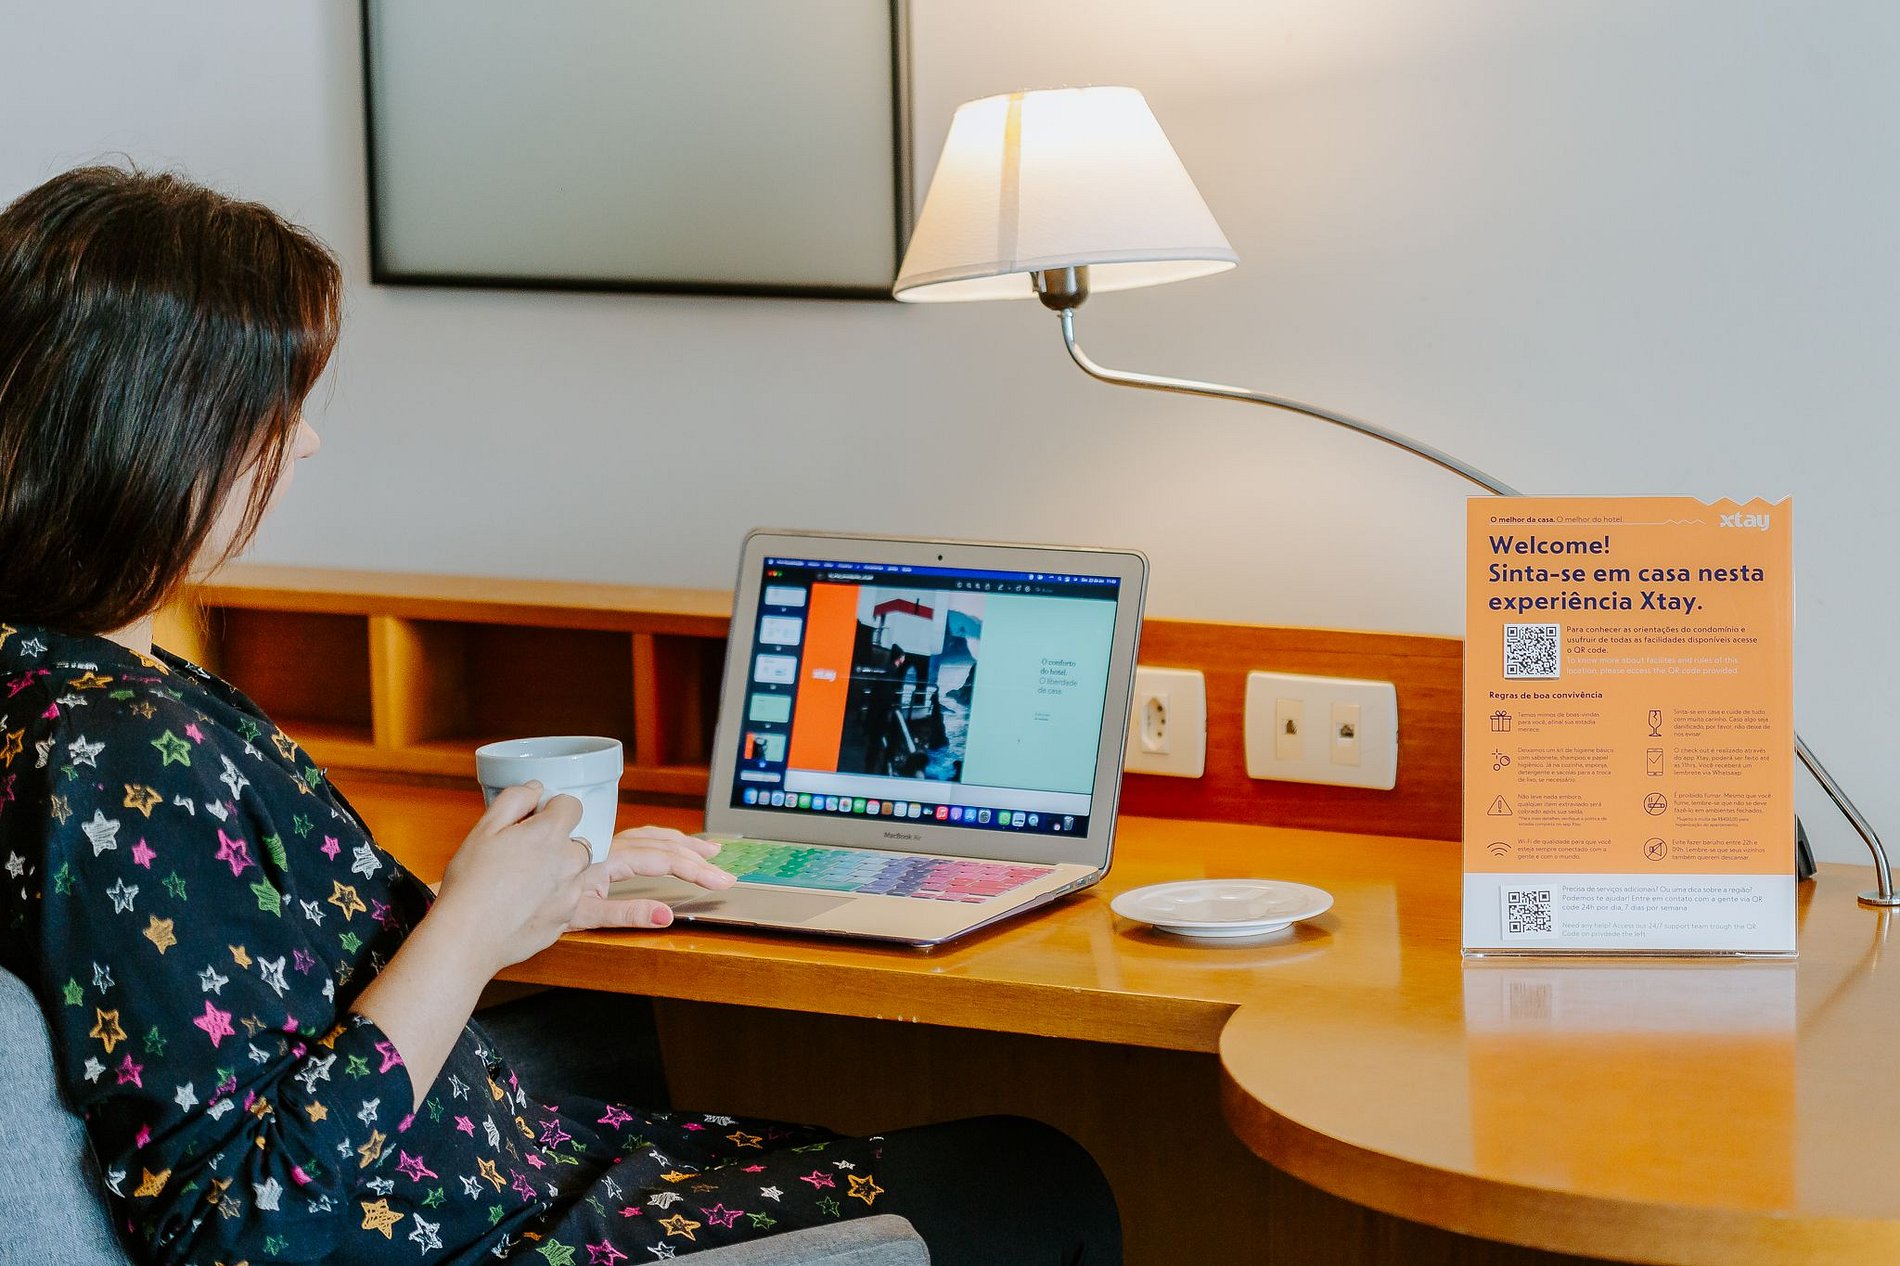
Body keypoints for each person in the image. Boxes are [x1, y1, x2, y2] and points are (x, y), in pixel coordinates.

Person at [0, 165, 1121, 1264]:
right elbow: (237, 1227)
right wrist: (468, 927)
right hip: (497, 1232)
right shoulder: (118, 750)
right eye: (272, 407)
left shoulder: (71, 683)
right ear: (156, 431)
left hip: (507, 1173)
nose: (304, 439)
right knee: (1034, 1180)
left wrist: (524, 899)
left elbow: (251, 983)